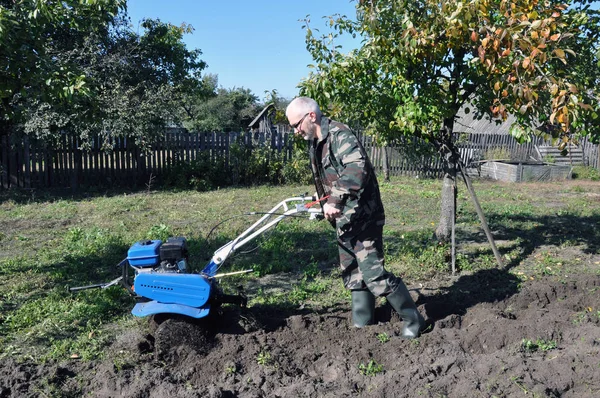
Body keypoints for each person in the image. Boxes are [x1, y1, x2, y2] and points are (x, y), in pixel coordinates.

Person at [285, 97, 425, 338]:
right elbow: (332, 177)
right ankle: (364, 323)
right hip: (345, 219)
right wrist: (322, 200)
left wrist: (335, 200)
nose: (295, 131)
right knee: (353, 272)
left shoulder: (340, 135)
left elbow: (357, 169)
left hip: (363, 217)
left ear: (311, 116)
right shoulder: (318, 141)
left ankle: (413, 321)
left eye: (296, 124)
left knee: (374, 275)